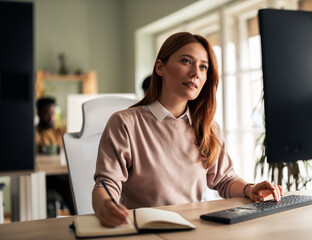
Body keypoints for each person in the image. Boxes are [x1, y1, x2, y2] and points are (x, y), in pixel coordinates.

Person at [92, 32, 283, 227]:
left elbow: (225, 179)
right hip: (143, 229)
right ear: (160, 67)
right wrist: (105, 204)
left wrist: (249, 189)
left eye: (203, 67)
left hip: (193, 228)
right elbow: (107, 183)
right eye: (186, 61)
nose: (196, 73)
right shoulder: (125, 123)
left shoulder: (209, 128)